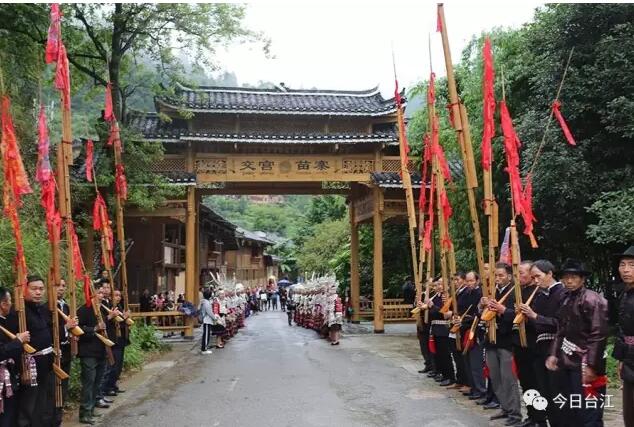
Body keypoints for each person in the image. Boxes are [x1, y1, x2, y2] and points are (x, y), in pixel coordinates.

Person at [546, 259, 608, 427]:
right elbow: (561, 329)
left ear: (582, 279)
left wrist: (591, 365)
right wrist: (553, 354)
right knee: (570, 408)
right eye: (566, 277)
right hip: (567, 360)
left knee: (589, 410)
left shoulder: (593, 299)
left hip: (586, 360)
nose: (569, 281)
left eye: (573, 277)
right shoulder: (565, 298)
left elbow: (599, 334)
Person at [520, 259, 566, 427]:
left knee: (557, 393)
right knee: (545, 392)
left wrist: (534, 316)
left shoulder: (562, 293)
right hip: (539, 349)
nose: (536, 281)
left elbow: (560, 323)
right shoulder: (540, 296)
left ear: (550, 274)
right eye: (533, 277)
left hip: (556, 349)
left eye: (538, 276)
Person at [480, 263, 522, 426]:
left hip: (506, 341)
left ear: (509, 276)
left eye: (501, 275)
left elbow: (518, 316)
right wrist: (482, 305)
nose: (497, 278)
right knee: (495, 378)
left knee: (508, 379)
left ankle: (515, 413)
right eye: (496, 275)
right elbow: (481, 315)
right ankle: (504, 407)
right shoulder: (492, 291)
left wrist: (502, 309)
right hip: (491, 340)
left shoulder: (515, 292)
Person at [17, 275, 56, 427]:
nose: (38, 292)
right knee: (29, 406)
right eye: (34, 289)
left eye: (41, 289)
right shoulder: (20, 312)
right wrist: (23, 368)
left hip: (44, 366)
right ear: (24, 289)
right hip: (29, 367)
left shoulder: (41, 309)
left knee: (41, 405)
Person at [512, 260, 546, 427]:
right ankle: (532, 415)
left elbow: (541, 319)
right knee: (525, 382)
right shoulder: (518, 291)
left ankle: (541, 418)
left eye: (522, 273)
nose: (518, 276)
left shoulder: (540, 293)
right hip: (519, 344)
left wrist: (528, 315)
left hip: (534, 343)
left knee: (536, 383)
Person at [77, 285, 110, 425]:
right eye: (99, 293)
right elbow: (78, 329)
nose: (102, 295)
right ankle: (85, 413)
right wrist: (94, 328)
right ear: (91, 294)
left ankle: (91, 410)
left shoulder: (102, 309)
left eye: (103, 293)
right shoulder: (83, 309)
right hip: (88, 351)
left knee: (97, 382)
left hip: (101, 350)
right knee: (89, 383)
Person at [0, 286, 30, 427]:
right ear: (3, 304)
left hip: (10, 375)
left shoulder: (4, 321)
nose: (11, 304)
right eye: (10, 301)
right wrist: (18, 341)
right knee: (6, 416)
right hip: (3, 377)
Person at [613, 245, 634, 427]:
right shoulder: (625, 293)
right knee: (629, 411)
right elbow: (622, 329)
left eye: (632, 265)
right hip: (629, 358)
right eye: (622, 264)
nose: (626, 270)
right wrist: (621, 358)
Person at [461, 271, 486, 401]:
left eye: (471, 281)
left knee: (476, 363)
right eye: (467, 281)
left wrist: (465, 319)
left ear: (477, 281)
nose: (469, 283)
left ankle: (480, 389)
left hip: (476, 329)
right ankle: (473, 387)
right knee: (468, 362)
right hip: (465, 328)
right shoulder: (465, 293)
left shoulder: (480, 293)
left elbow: (478, 313)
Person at [427, 278, 455, 387]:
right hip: (435, 327)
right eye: (438, 284)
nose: (439, 286)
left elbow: (443, 313)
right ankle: (442, 373)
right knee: (438, 354)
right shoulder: (436, 297)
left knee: (445, 354)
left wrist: (432, 306)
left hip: (444, 328)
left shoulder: (448, 297)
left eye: (441, 284)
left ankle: (450, 376)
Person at [55, 279, 75, 426]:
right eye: (58, 285)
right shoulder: (48, 307)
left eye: (63, 286)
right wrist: (66, 328)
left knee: (64, 386)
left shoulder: (66, 306)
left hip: (67, 350)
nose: (61, 288)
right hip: (55, 351)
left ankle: (59, 417)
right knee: (55, 388)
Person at [103, 290, 129, 396]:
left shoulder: (120, 306)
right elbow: (112, 324)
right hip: (113, 339)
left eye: (119, 295)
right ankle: (108, 387)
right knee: (112, 365)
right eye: (116, 295)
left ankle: (114, 385)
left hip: (121, 339)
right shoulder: (109, 307)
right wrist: (124, 318)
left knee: (119, 364)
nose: (118, 297)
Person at [199, 289, 214, 354]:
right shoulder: (207, 303)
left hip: (205, 319)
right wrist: (214, 318)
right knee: (206, 335)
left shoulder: (203, 301)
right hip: (207, 320)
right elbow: (209, 312)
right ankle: (204, 349)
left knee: (205, 334)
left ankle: (204, 347)